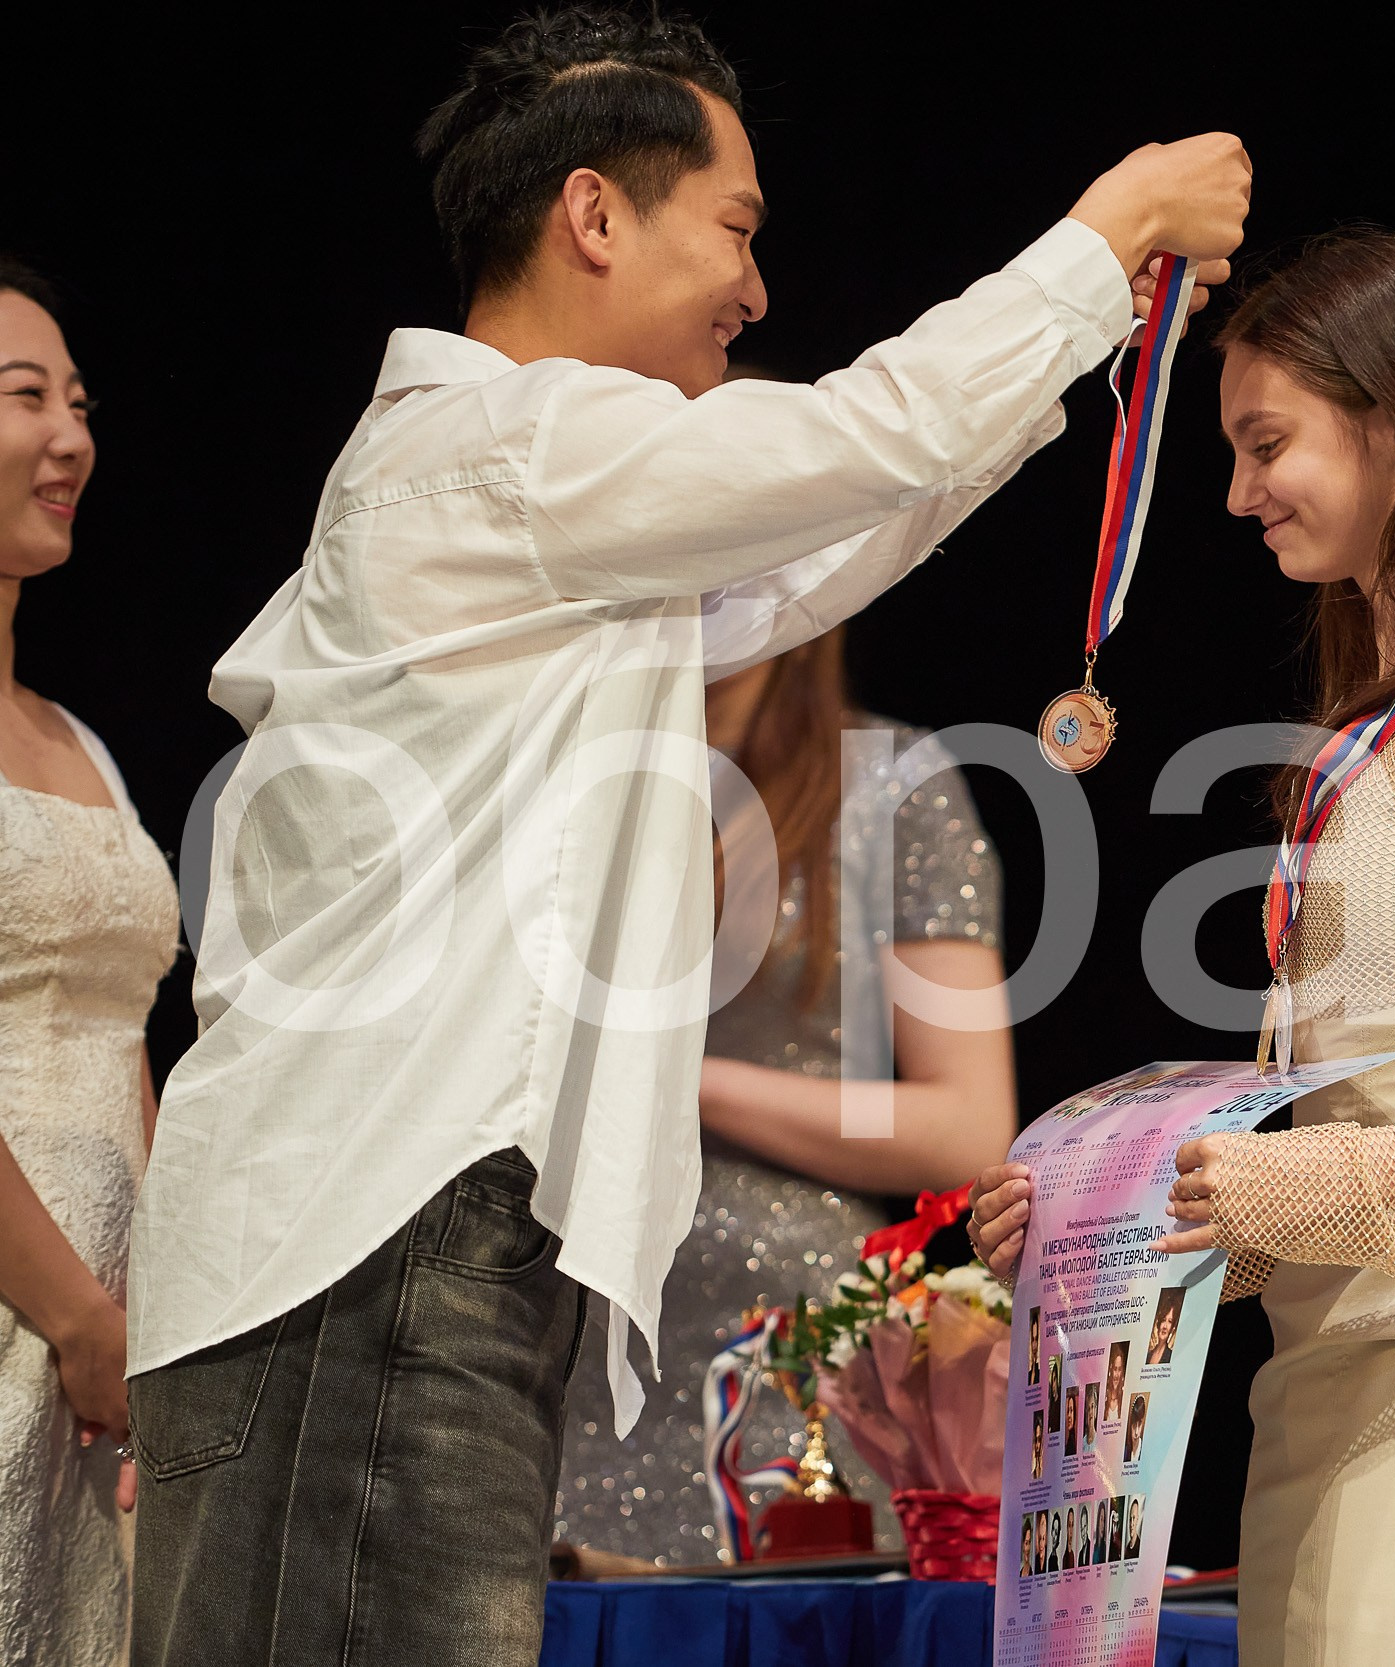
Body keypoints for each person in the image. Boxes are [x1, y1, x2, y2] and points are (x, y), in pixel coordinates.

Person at [120, 8, 1250, 1664]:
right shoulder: (511, 449)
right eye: (734, 228)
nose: (759, 288)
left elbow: (814, 539)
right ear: (593, 215)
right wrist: (1106, 236)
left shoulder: (541, 490)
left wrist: (1082, 335)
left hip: (397, 1244)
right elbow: (863, 437)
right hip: (359, 1253)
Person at [974, 227, 1395, 1665]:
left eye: (1265, 443)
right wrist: (1118, 1225)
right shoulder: (1389, 716)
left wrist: (1294, 1176)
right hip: (1325, 1391)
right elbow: (1355, 1135)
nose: (1236, 495)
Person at [553, 623, 1016, 1562]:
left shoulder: (889, 786)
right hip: (559, 1320)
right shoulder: (555, 777)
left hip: (779, 1348)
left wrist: (681, 1082)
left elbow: (968, 1122)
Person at [0, 257, 180, 1667]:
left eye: (77, 400)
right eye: (22, 398)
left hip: (111, 1348)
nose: (70, 436)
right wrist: (69, 1310)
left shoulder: (77, 739)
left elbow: (122, 1030)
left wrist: (158, 1304)